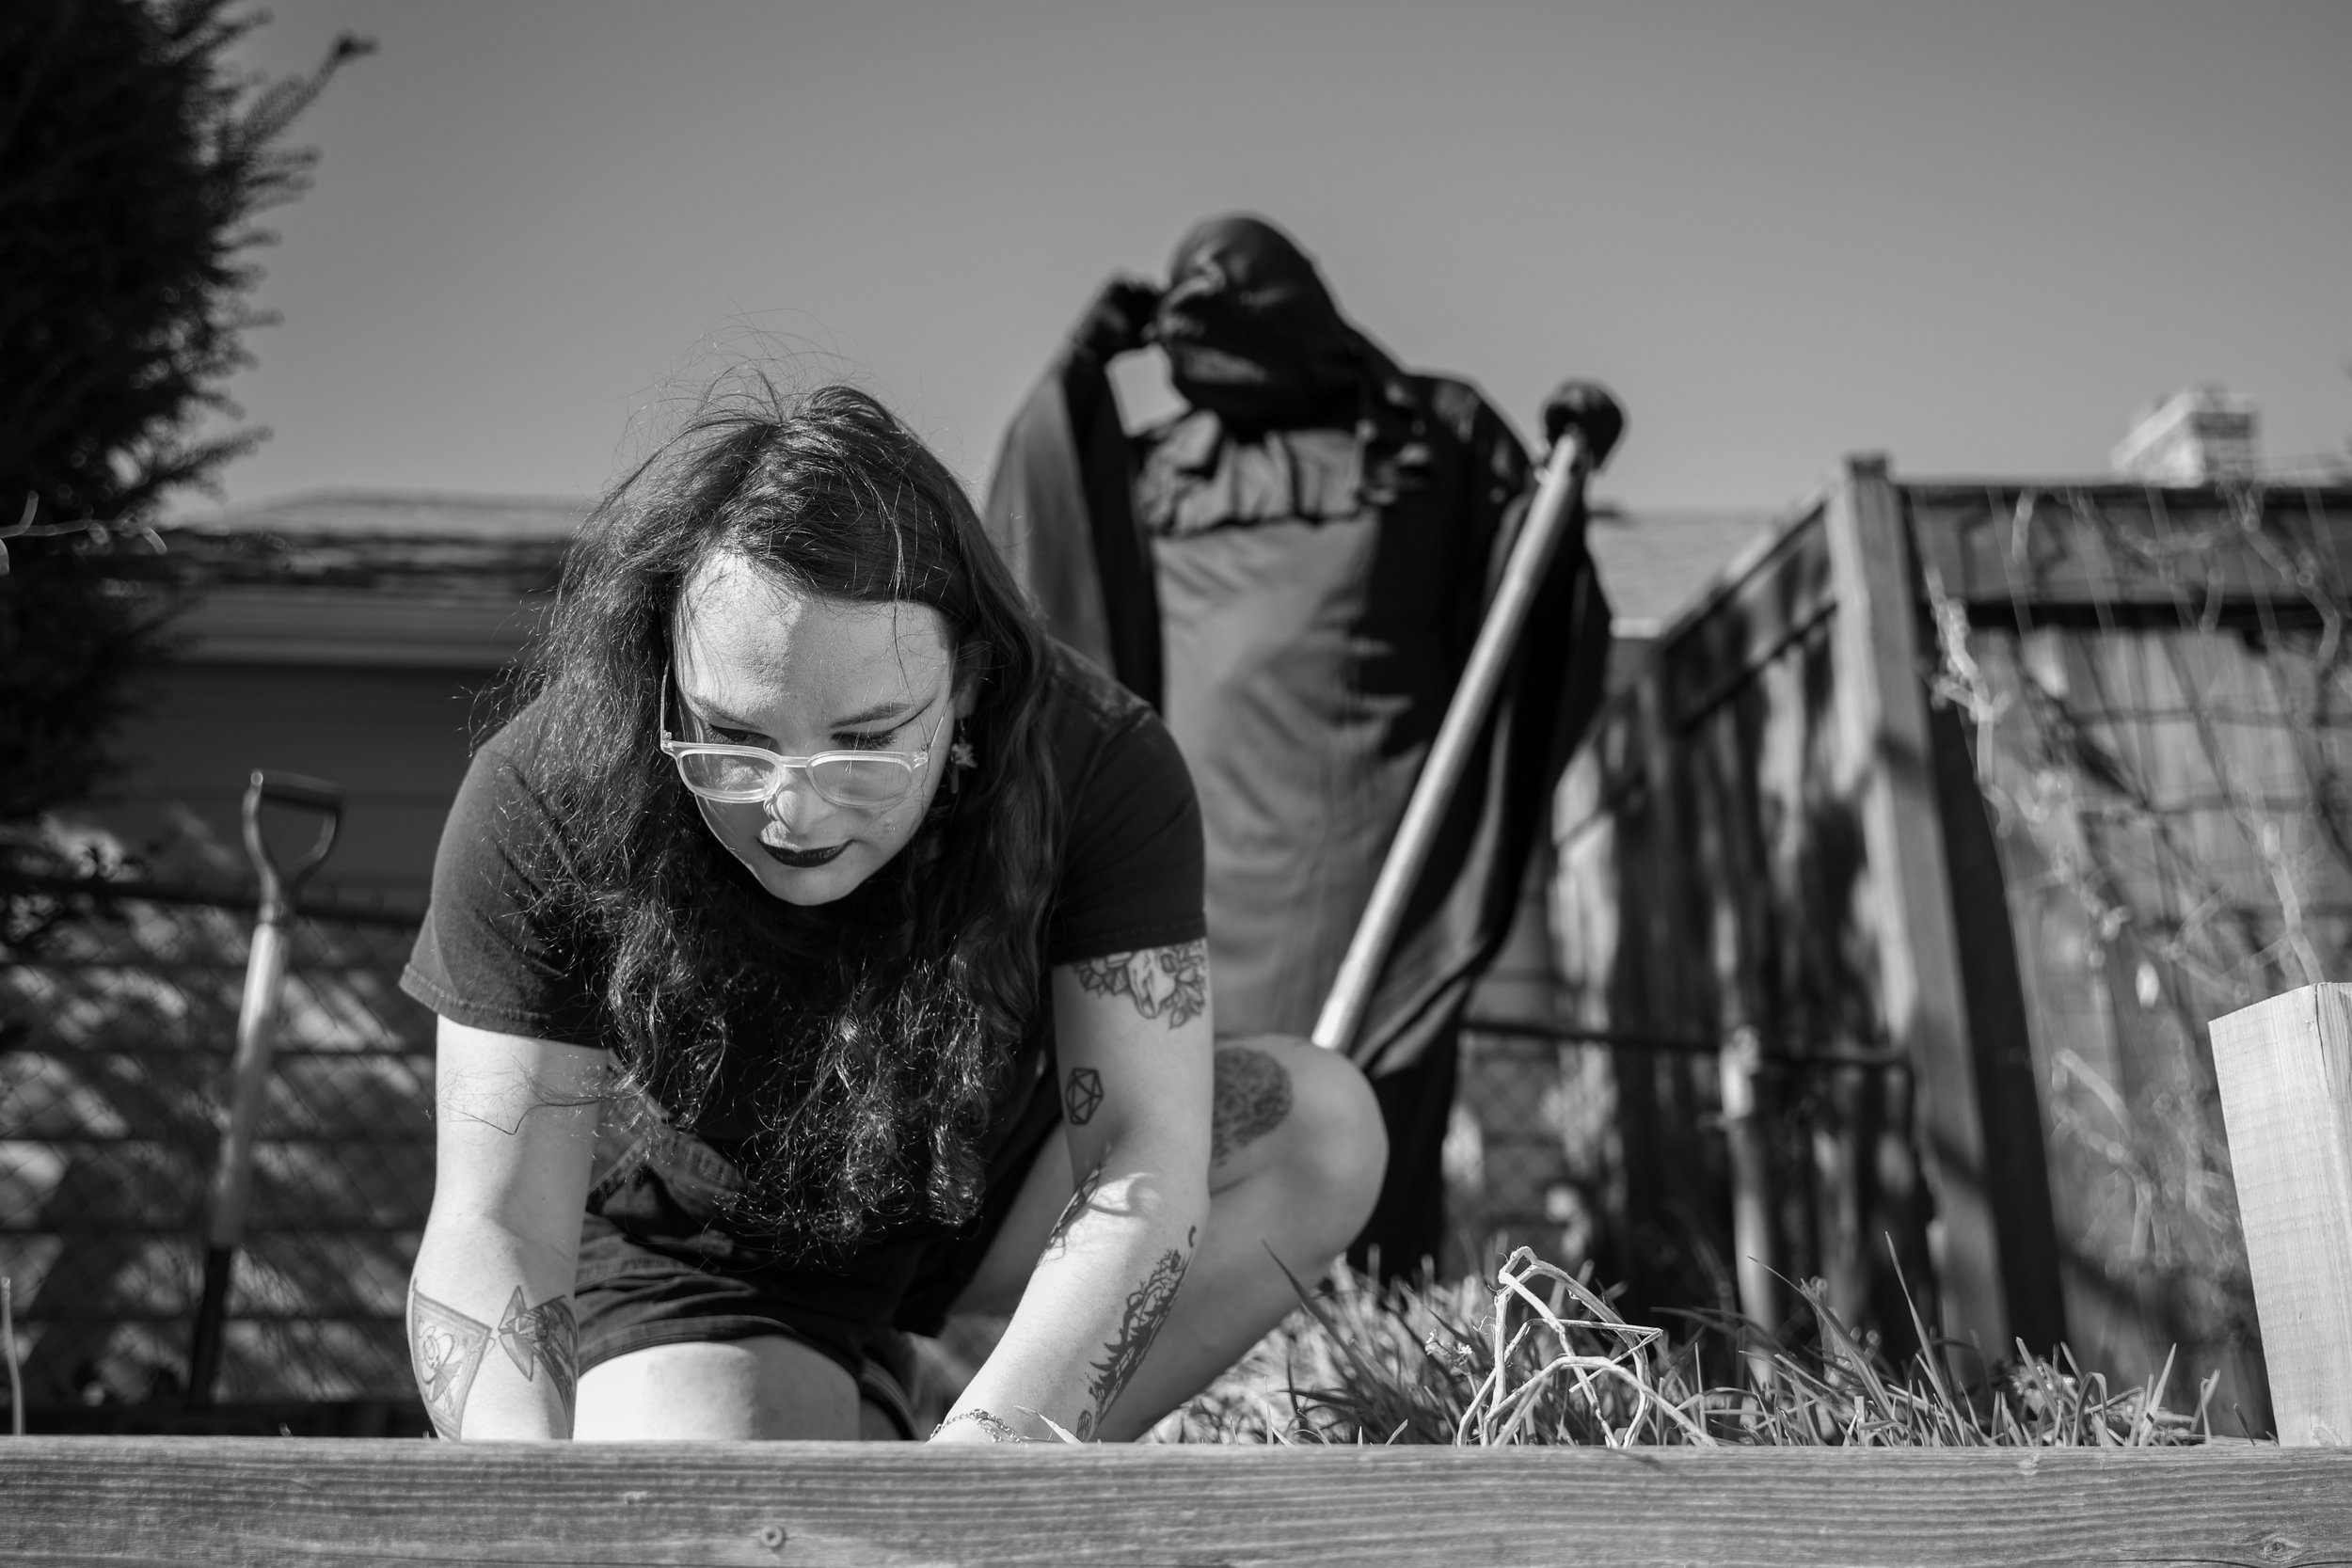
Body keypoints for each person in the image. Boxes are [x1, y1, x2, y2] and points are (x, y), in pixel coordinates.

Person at [400, 382, 1386, 1442]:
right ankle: (840, 1398)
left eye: (866, 741)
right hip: (711, 1267)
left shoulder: (1095, 759)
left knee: (1317, 1122)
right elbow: (495, 1218)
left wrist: (986, 1460)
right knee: (744, 1532)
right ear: (662, 673)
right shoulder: (548, 790)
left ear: (966, 676)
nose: (793, 806)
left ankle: (957, 1392)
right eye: (732, 735)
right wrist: (521, 1502)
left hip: (977, 1214)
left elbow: (1146, 1149)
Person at [986, 216, 1618, 1276]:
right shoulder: (1162, 468)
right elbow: (1047, 552)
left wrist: (1551, 499)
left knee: (1369, 1090)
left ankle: (1358, 1345)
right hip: (1191, 860)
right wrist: (1077, 372)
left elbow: (1524, 589)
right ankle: (1190, 1344)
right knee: (1182, 1121)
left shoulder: (1430, 432)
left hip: (1371, 840)